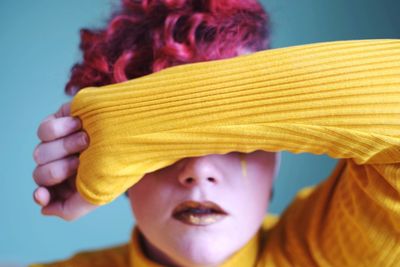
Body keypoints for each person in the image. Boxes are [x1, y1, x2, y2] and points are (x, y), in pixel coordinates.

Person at [31, 0, 400, 266]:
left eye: (235, 141)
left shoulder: (327, 253)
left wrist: (117, 123)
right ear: (122, 176)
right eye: (160, 149)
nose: (198, 171)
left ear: (277, 153)